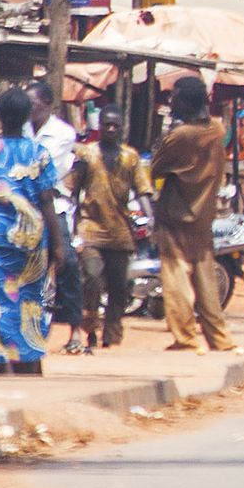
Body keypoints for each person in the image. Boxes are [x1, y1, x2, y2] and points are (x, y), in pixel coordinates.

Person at [0, 88, 62, 376]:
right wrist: (58, 245)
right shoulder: (40, 153)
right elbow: (47, 201)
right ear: (28, 116)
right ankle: (28, 364)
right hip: (34, 244)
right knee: (31, 302)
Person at [151, 76, 239, 353]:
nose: (170, 102)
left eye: (175, 97)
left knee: (176, 278)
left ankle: (186, 337)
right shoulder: (217, 128)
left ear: (187, 102)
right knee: (205, 279)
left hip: (176, 215)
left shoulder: (181, 135)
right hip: (204, 215)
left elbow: (156, 166)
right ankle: (220, 338)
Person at [69, 107, 151, 350]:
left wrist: (151, 216)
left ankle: (112, 335)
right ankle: (90, 328)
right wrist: (73, 224)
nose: (112, 129)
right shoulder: (87, 154)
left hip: (120, 232)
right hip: (91, 229)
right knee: (92, 280)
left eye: (116, 125)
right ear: (100, 126)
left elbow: (143, 189)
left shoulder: (130, 157)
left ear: (123, 127)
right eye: (107, 125)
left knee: (119, 289)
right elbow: (72, 189)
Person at [26, 82, 86, 354]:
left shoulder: (63, 133)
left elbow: (42, 167)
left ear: (49, 106)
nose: (30, 111)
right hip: (24, 204)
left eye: (35, 105)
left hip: (53, 204)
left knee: (68, 264)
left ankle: (75, 329)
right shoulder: (21, 128)